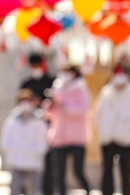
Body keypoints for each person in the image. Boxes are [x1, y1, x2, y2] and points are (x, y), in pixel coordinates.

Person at [47, 65, 91, 195]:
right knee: (59, 172)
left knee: (78, 170)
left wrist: (64, 106)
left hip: (77, 136)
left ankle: (88, 191)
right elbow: (50, 113)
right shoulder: (57, 88)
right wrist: (50, 106)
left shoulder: (81, 89)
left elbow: (83, 110)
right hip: (59, 136)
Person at [0, 89, 50, 195]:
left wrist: (37, 152)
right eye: (22, 101)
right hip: (16, 161)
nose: (25, 104)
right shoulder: (12, 121)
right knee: (15, 189)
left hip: (33, 162)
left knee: (35, 190)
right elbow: (5, 139)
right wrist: (10, 151)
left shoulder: (39, 120)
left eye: (28, 100)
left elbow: (44, 140)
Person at [21, 53, 55, 195]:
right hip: (29, 129)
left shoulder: (52, 81)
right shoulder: (26, 83)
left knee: (48, 164)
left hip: (47, 127)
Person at [94, 64, 130, 195]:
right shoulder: (106, 92)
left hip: (126, 139)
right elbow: (97, 114)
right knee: (107, 170)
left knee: (126, 171)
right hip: (108, 137)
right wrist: (102, 128)